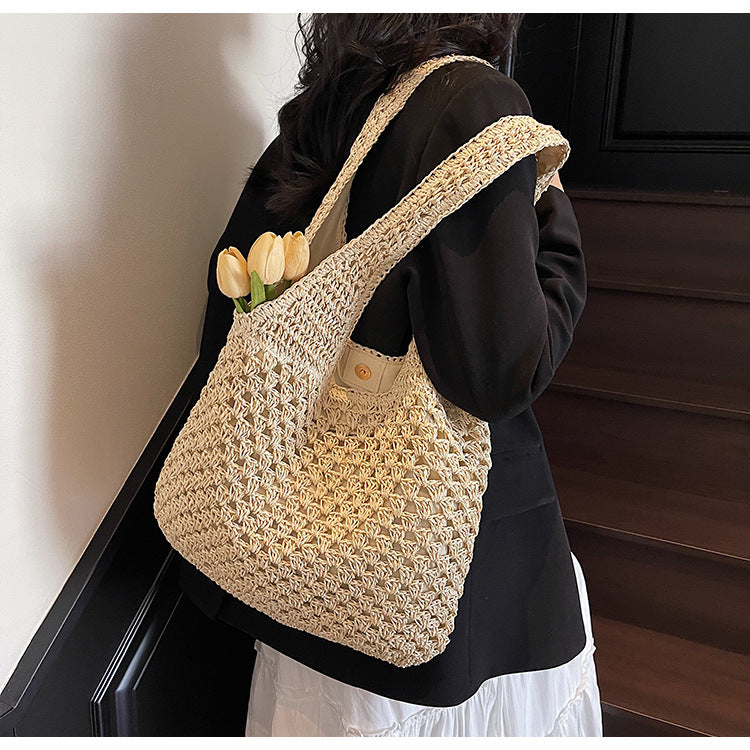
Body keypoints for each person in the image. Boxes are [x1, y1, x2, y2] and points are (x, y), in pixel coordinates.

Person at [177, 13, 603, 737]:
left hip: (302, 584)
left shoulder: (324, 111)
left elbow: (229, 321)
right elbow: (499, 372)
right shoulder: (475, 106)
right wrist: (555, 223)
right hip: (428, 583)